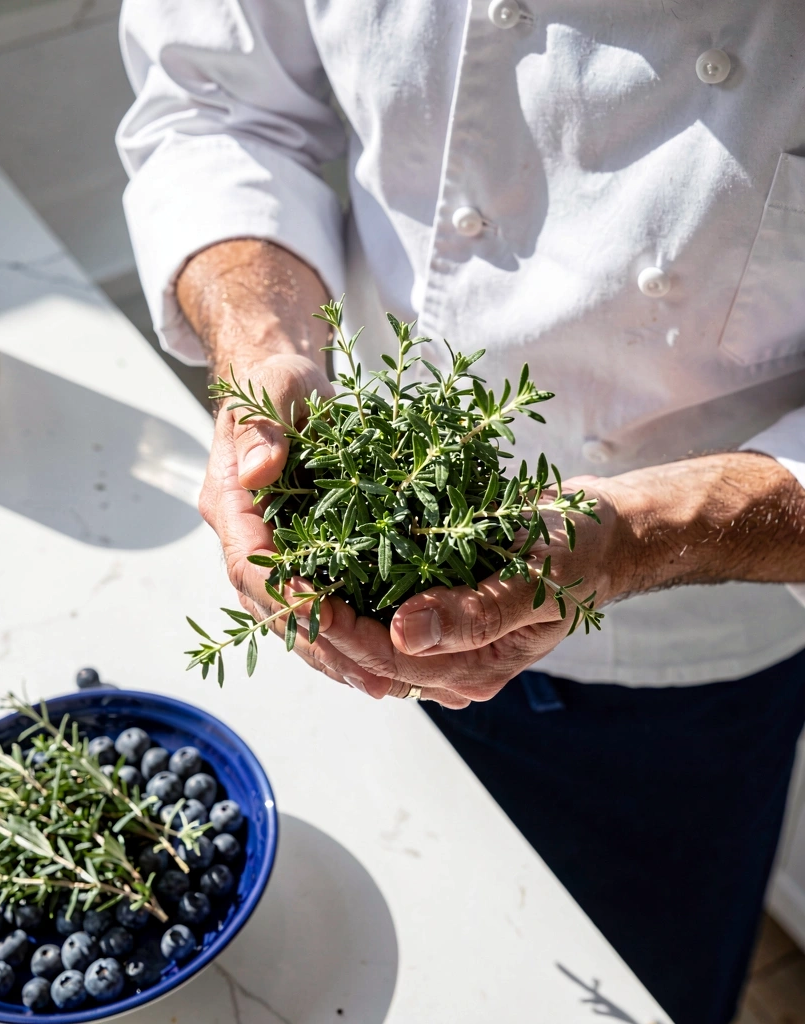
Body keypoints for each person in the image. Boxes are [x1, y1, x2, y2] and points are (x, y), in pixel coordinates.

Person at [116, 3, 805, 1020]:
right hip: (355, 622)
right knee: (393, 961)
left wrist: (642, 535)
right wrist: (263, 348)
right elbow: (216, 101)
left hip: (681, 678)